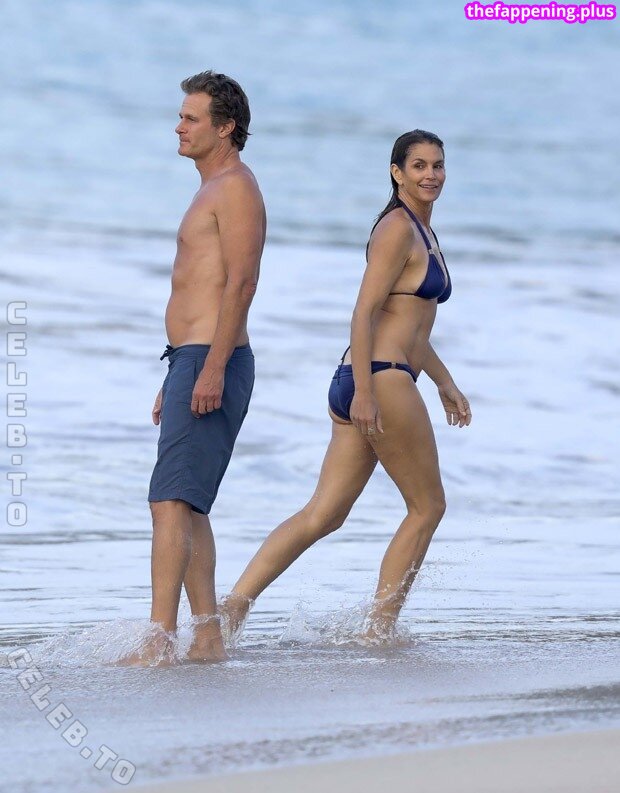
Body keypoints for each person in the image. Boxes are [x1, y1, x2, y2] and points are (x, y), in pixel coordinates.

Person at [221, 130, 471, 644]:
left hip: (369, 375)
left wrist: (444, 382)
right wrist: (364, 392)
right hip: (378, 379)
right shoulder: (396, 230)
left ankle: (230, 611)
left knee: (324, 514)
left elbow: (410, 327)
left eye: (438, 165)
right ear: (396, 173)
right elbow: (363, 312)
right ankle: (378, 630)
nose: (431, 175)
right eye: (419, 166)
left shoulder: (422, 230)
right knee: (428, 507)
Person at [122, 71, 266, 666]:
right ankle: (206, 638)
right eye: (181, 116)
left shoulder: (236, 188)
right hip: (194, 357)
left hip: (212, 358)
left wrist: (211, 368)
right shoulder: (212, 188)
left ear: (225, 127)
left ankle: (158, 641)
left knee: (169, 502)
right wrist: (180, 369)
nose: (178, 127)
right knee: (189, 502)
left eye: (191, 118)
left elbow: (242, 283)